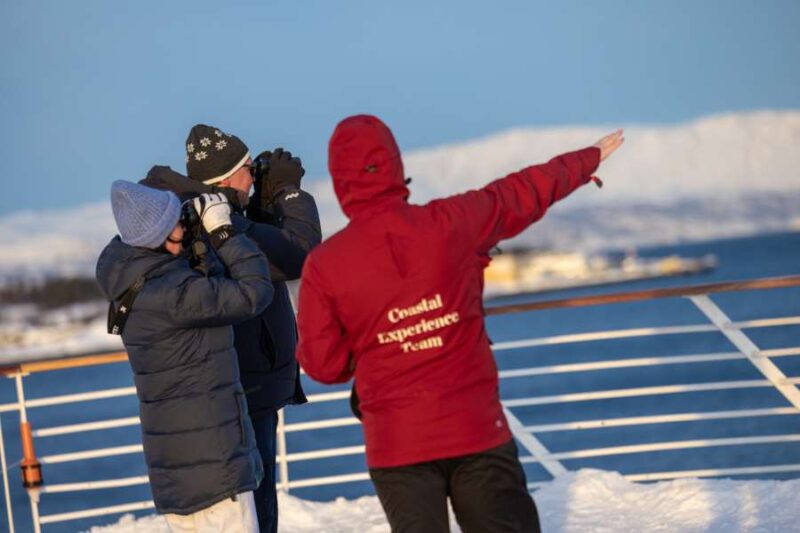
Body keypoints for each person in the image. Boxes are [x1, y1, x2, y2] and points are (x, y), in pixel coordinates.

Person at [296, 114, 624, 533]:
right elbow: (518, 194)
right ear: (395, 164)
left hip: (398, 444)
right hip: (475, 428)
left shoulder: (326, 265)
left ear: (340, 180)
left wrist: (370, 349)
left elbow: (324, 365)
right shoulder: (452, 222)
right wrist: (586, 160)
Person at [141, 123, 321, 533]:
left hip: (234, 388)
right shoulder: (216, 222)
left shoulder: (204, 216)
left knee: (247, 511)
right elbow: (299, 253)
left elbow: (257, 246)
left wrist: (256, 206)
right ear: (224, 180)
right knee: (256, 512)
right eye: (248, 169)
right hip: (241, 390)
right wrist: (289, 193)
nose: (253, 177)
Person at [95, 181, 271, 532]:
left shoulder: (139, 283)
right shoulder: (174, 294)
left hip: (178, 476)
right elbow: (254, 293)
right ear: (159, 235)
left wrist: (199, 249)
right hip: (215, 473)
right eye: (177, 221)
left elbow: (212, 296)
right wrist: (223, 232)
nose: (183, 225)